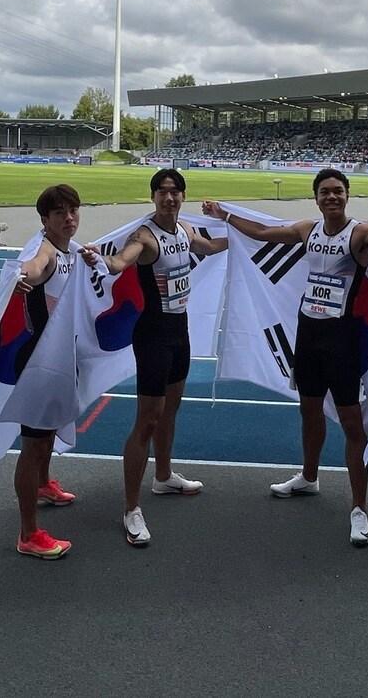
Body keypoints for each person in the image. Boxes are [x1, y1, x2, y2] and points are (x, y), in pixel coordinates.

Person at [204, 169, 368, 547]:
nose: (332, 197)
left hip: (342, 341)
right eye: (325, 192)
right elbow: (261, 233)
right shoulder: (308, 230)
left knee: (351, 423)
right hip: (308, 335)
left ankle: (358, 508)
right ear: (316, 198)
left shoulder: (359, 233)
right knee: (308, 410)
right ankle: (309, 477)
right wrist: (224, 215)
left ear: (347, 196)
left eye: (338, 191)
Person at [81, 168, 227, 548]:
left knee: (171, 410)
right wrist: (101, 259)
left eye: (175, 192)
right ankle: (131, 508)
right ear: (153, 197)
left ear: (183, 196)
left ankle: (163, 477)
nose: (169, 198)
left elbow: (208, 248)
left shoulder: (184, 232)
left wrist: (241, 237)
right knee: (147, 420)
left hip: (180, 334)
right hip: (153, 338)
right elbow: (121, 262)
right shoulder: (145, 237)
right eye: (162, 192)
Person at [11, 184, 83, 560]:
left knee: (49, 433)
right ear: (45, 220)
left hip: (60, 359)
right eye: (60, 213)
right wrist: (22, 275)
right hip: (39, 363)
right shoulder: (47, 250)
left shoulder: (72, 250)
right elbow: (35, 267)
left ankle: (42, 484)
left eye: (73, 211)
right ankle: (28, 533)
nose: (69, 218)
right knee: (33, 444)